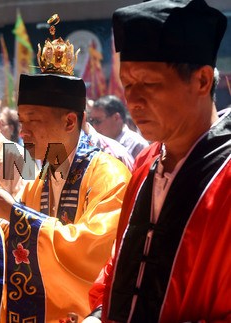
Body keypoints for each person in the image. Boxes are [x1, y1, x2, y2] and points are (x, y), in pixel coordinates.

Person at [0, 31, 131, 320]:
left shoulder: (109, 175)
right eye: (21, 122)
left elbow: (92, 250)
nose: (23, 132)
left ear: (70, 121)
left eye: (33, 121)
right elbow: (11, 232)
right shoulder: (41, 179)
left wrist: (11, 211)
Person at [87, 1, 230, 322]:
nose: (133, 101)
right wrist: (97, 316)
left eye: (149, 84)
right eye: (128, 84)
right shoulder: (146, 161)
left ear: (202, 81)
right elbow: (125, 260)